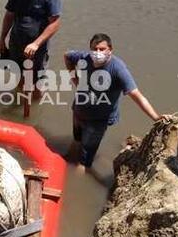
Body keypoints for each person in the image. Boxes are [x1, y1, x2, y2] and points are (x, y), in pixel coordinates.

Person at [64, 33, 161, 171]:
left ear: (110, 50)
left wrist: (156, 118)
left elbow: (137, 95)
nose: (98, 53)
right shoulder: (84, 58)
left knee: (84, 162)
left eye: (102, 49)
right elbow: (67, 56)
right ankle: (70, 161)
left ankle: (77, 179)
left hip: (98, 120)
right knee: (76, 140)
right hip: (79, 111)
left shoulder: (118, 69)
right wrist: (74, 78)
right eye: (94, 49)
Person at [0, 0, 61, 89]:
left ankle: (35, 106)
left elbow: (55, 23)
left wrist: (36, 44)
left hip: (37, 49)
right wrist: (2, 39)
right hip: (16, 44)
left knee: (37, 81)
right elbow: (9, 16)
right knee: (18, 75)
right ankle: (19, 104)